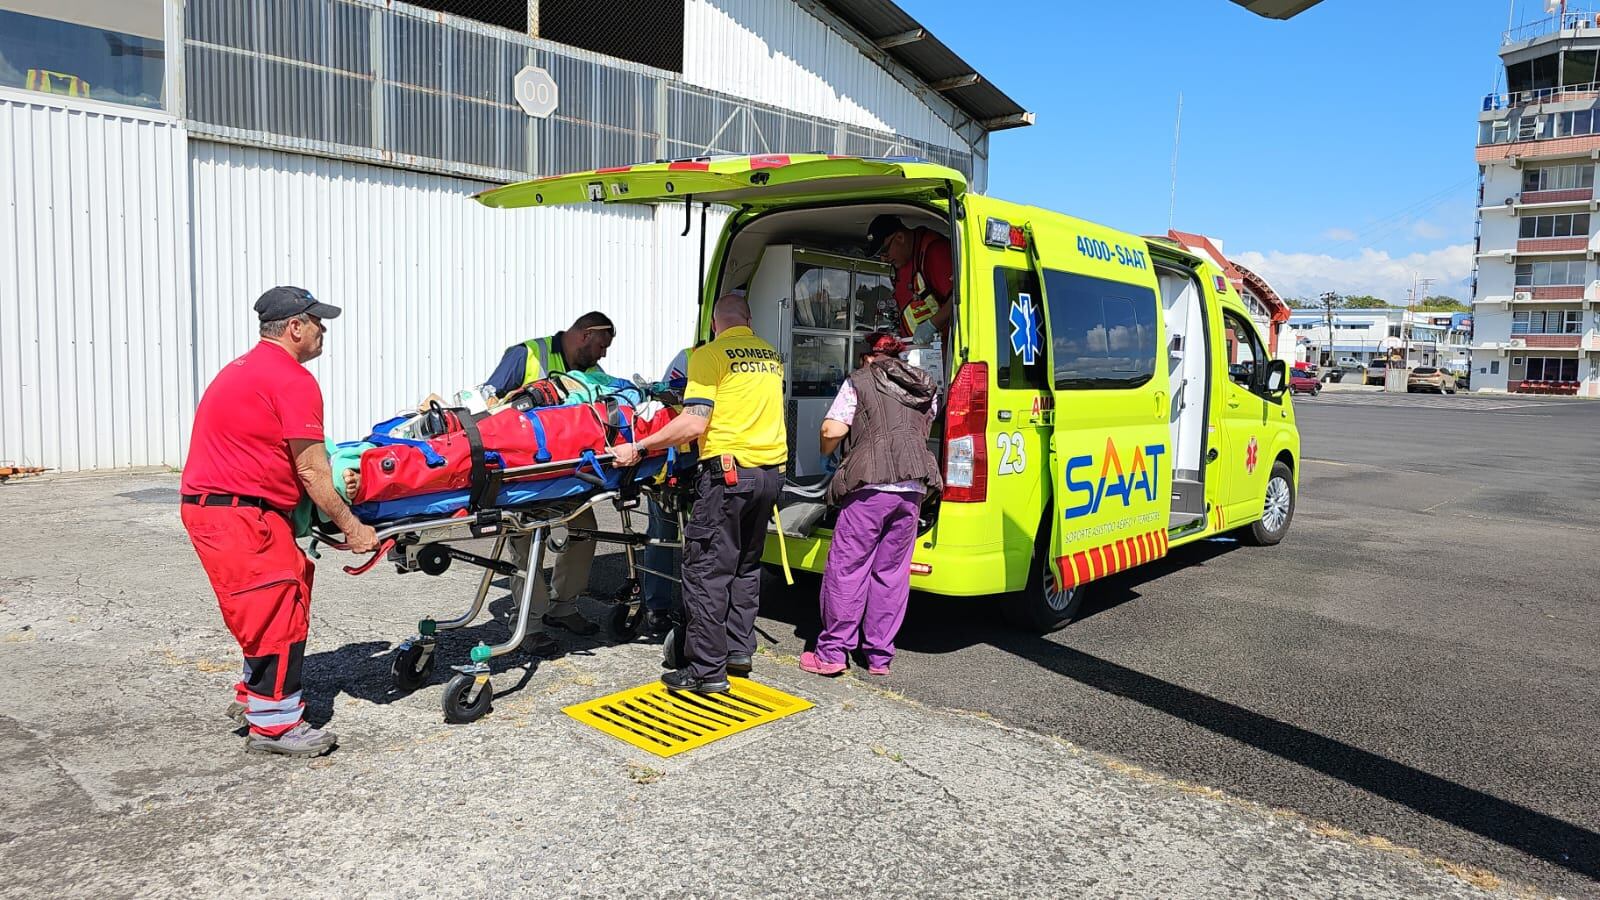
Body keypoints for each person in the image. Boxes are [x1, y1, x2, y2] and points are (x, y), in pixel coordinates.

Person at [180, 286, 378, 758]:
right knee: (278, 611)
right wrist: (353, 526)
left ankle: (254, 695)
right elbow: (311, 468)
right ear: (295, 327)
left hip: (225, 508)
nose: (323, 329)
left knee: (264, 604)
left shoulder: (244, 368)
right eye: (317, 321)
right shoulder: (291, 378)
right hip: (239, 513)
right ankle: (276, 726)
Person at [612, 293, 786, 693]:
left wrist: (639, 447)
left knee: (706, 573)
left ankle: (706, 671)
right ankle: (739, 650)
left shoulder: (708, 355)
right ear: (749, 319)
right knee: (745, 566)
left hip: (728, 478)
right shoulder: (772, 358)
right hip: (770, 477)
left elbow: (693, 423)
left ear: (713, 323)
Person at [801, 332, 940, 678]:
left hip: (870, 487)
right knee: (892, 573)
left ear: (868, 357)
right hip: (913, 489)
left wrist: (824, 449)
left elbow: (833, 429)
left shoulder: (859, 380)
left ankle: (832, 652)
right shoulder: (924, 385)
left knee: (848, 568)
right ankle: (879, 656)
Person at [482, 311, 616, 644]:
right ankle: (530, 621)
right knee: (528, 541)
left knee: (585, 532)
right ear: (585, 335)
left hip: (571, 474)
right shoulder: (526, 354)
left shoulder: (592, 372)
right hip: (526, 474)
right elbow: (488, 403)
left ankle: (564, 607)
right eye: (602, 345)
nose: (603, 354)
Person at [639, 345, 693, 636]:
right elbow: (665, 397)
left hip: (708, 459)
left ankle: (693, 608)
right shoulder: (689, 356)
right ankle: (657, 608)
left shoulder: (731, 358)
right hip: (676, 459)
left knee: (700, 542)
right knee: (662, 534)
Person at [863, 214, 953, 343]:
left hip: (942, 351)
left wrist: (932, 325)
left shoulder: (934, 252)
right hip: (917, 352)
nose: (883, 259)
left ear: (900, 238)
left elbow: (960, 298)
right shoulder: (903, 262)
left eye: (884, 251)